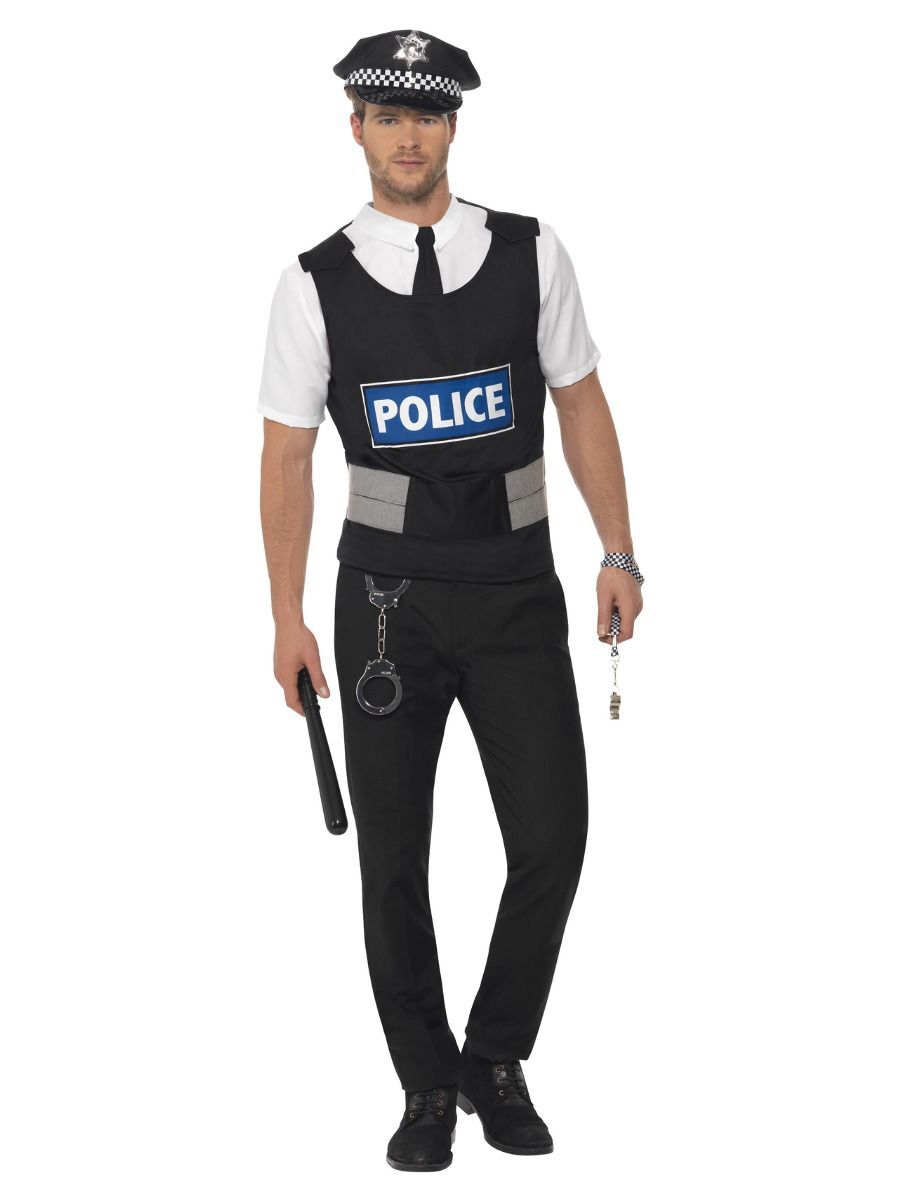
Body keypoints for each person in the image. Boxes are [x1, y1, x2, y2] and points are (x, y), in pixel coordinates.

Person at [257, 28, 644, 1172]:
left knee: (555, 838)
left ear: (453, 124)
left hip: (518, 591)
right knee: (394, 862)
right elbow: (286, 457)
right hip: (386, 608)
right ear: (357, 128)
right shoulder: (314, 284)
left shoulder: (531, 251)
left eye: (425, 114)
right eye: (387, 115)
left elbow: (580, 400)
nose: (408, 135)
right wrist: (287, 616)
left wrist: (620, 553)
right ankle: (426, 1085)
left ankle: (494, 1057)